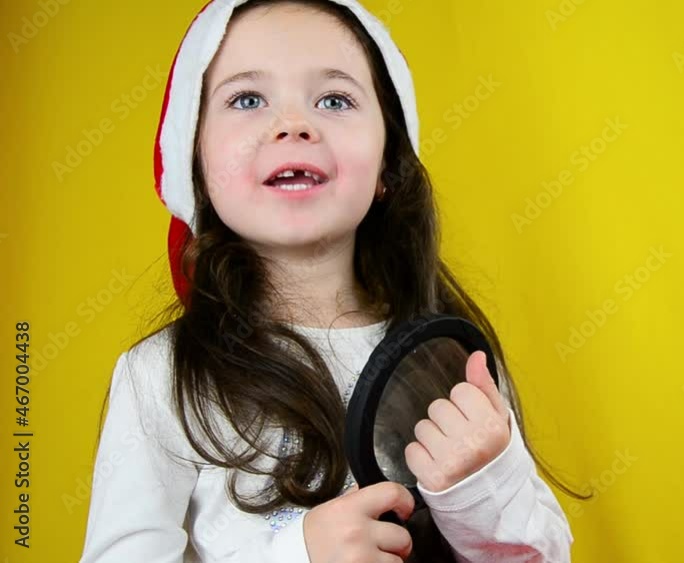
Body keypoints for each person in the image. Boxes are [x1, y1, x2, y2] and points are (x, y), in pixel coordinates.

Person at [79, 0, 581, 561]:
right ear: (192, 160)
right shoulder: (160, 378)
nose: (294, 124)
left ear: (388, 166)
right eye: (247, 99)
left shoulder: (449, 359)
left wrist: (482, 489)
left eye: (334, 99)